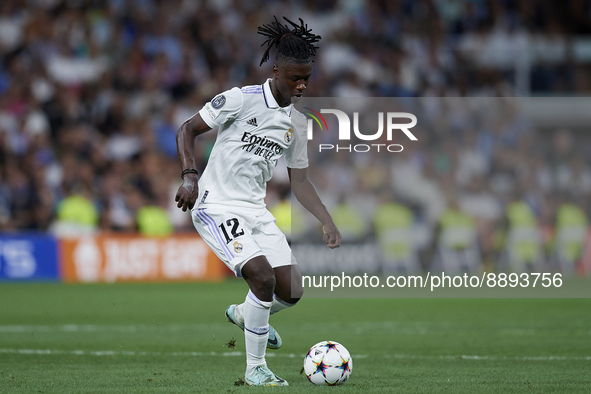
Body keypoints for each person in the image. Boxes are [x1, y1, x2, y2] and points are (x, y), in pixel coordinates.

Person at [174, 16, 341, 387]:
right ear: (276, 69)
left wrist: (325, 218)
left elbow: (300, 181)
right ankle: (255, 369)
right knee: (261, 278)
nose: (300, 85)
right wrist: (189, 175)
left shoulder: (297, 124)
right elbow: (188, 129)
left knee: (292, 291)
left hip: (255, 211)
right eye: (294, 77)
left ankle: (246, 315)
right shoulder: (240, 99)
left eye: (307, 79)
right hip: (217, 205)